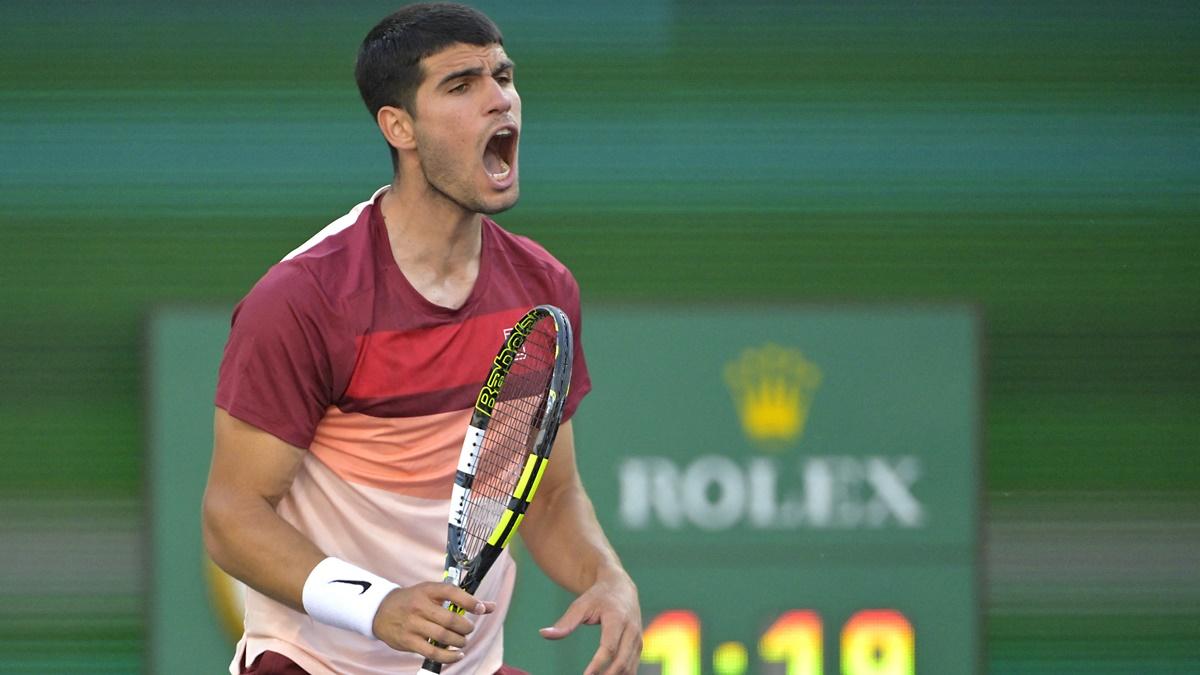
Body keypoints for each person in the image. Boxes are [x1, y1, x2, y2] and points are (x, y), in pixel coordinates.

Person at [201, 4, 642, 674]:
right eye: (461, 85)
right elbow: (232, 516)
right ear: (398, 126)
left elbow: (549, 496)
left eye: (503, 76)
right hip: (310, 663)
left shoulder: (541, 287)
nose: (499, 100)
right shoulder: (305, 299)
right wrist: (376, 603)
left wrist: (604, 574)